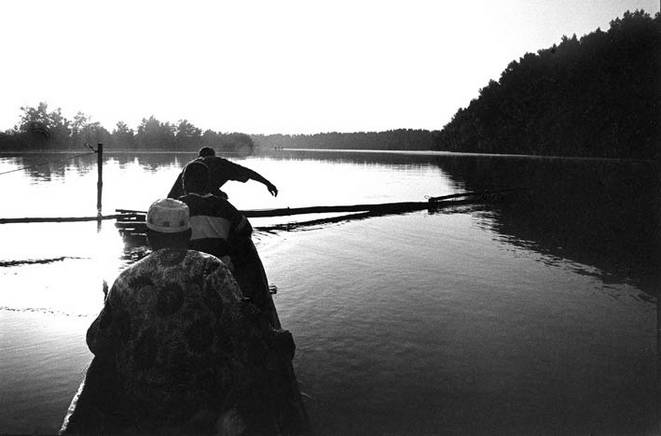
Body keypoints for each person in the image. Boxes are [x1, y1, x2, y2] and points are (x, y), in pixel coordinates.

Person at [60, 198, 308, 435]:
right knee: (275, 346)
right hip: (205, 399)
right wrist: (274, 339)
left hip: (141, 402)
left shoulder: (126, 278)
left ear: (148, 238)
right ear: (188, 236)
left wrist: (111, 309)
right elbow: (244, 332)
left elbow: (97, 343)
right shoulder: (210, 268)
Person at [178, 160, 281, 328]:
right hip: (221, 271)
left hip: (186, 271)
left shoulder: (178, 207)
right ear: (208, 184)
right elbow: (246, 229)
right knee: (244, 241)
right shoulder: (224, 206)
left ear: (184, 184)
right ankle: (255, 297)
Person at [167, 146, 278, 200]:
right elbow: (249, 172)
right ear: (213, 155)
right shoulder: (221, 164)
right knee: (222, 196)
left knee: (220, 194)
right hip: (199, 198)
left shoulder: (190, 166)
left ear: (200, 156)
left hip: (185, 201)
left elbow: (172, 194)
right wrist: (268, 183)